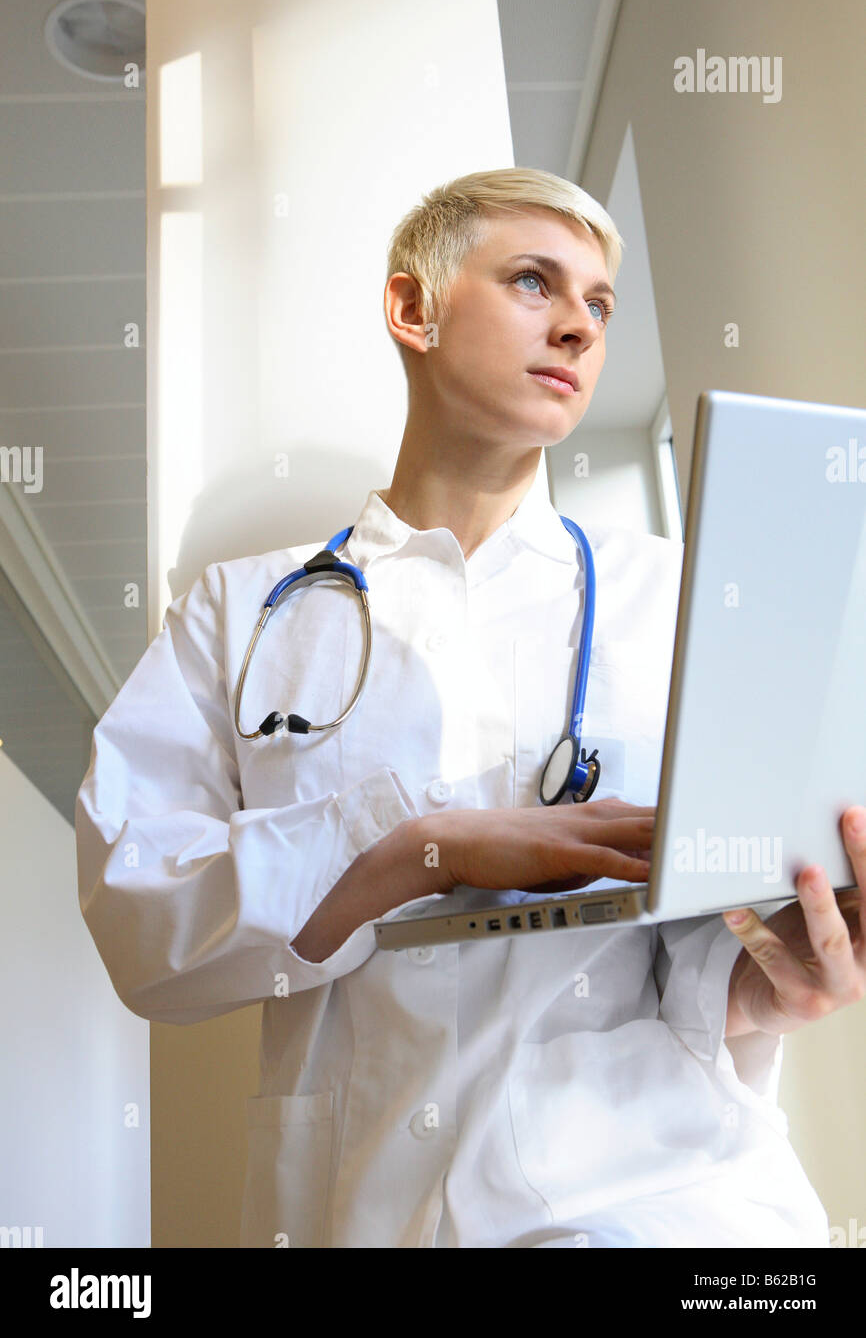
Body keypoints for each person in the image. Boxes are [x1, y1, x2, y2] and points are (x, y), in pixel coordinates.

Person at [76, 167, 866, 1249]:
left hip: (674, 1204)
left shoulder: (681, 594)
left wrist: (777, 972)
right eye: (534, 282)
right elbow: (141, 925)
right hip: (369, 1201)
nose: (579, 332)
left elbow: (704, 955)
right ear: (415, 309)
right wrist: (420, 849)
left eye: (597, 305)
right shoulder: (241, 613)